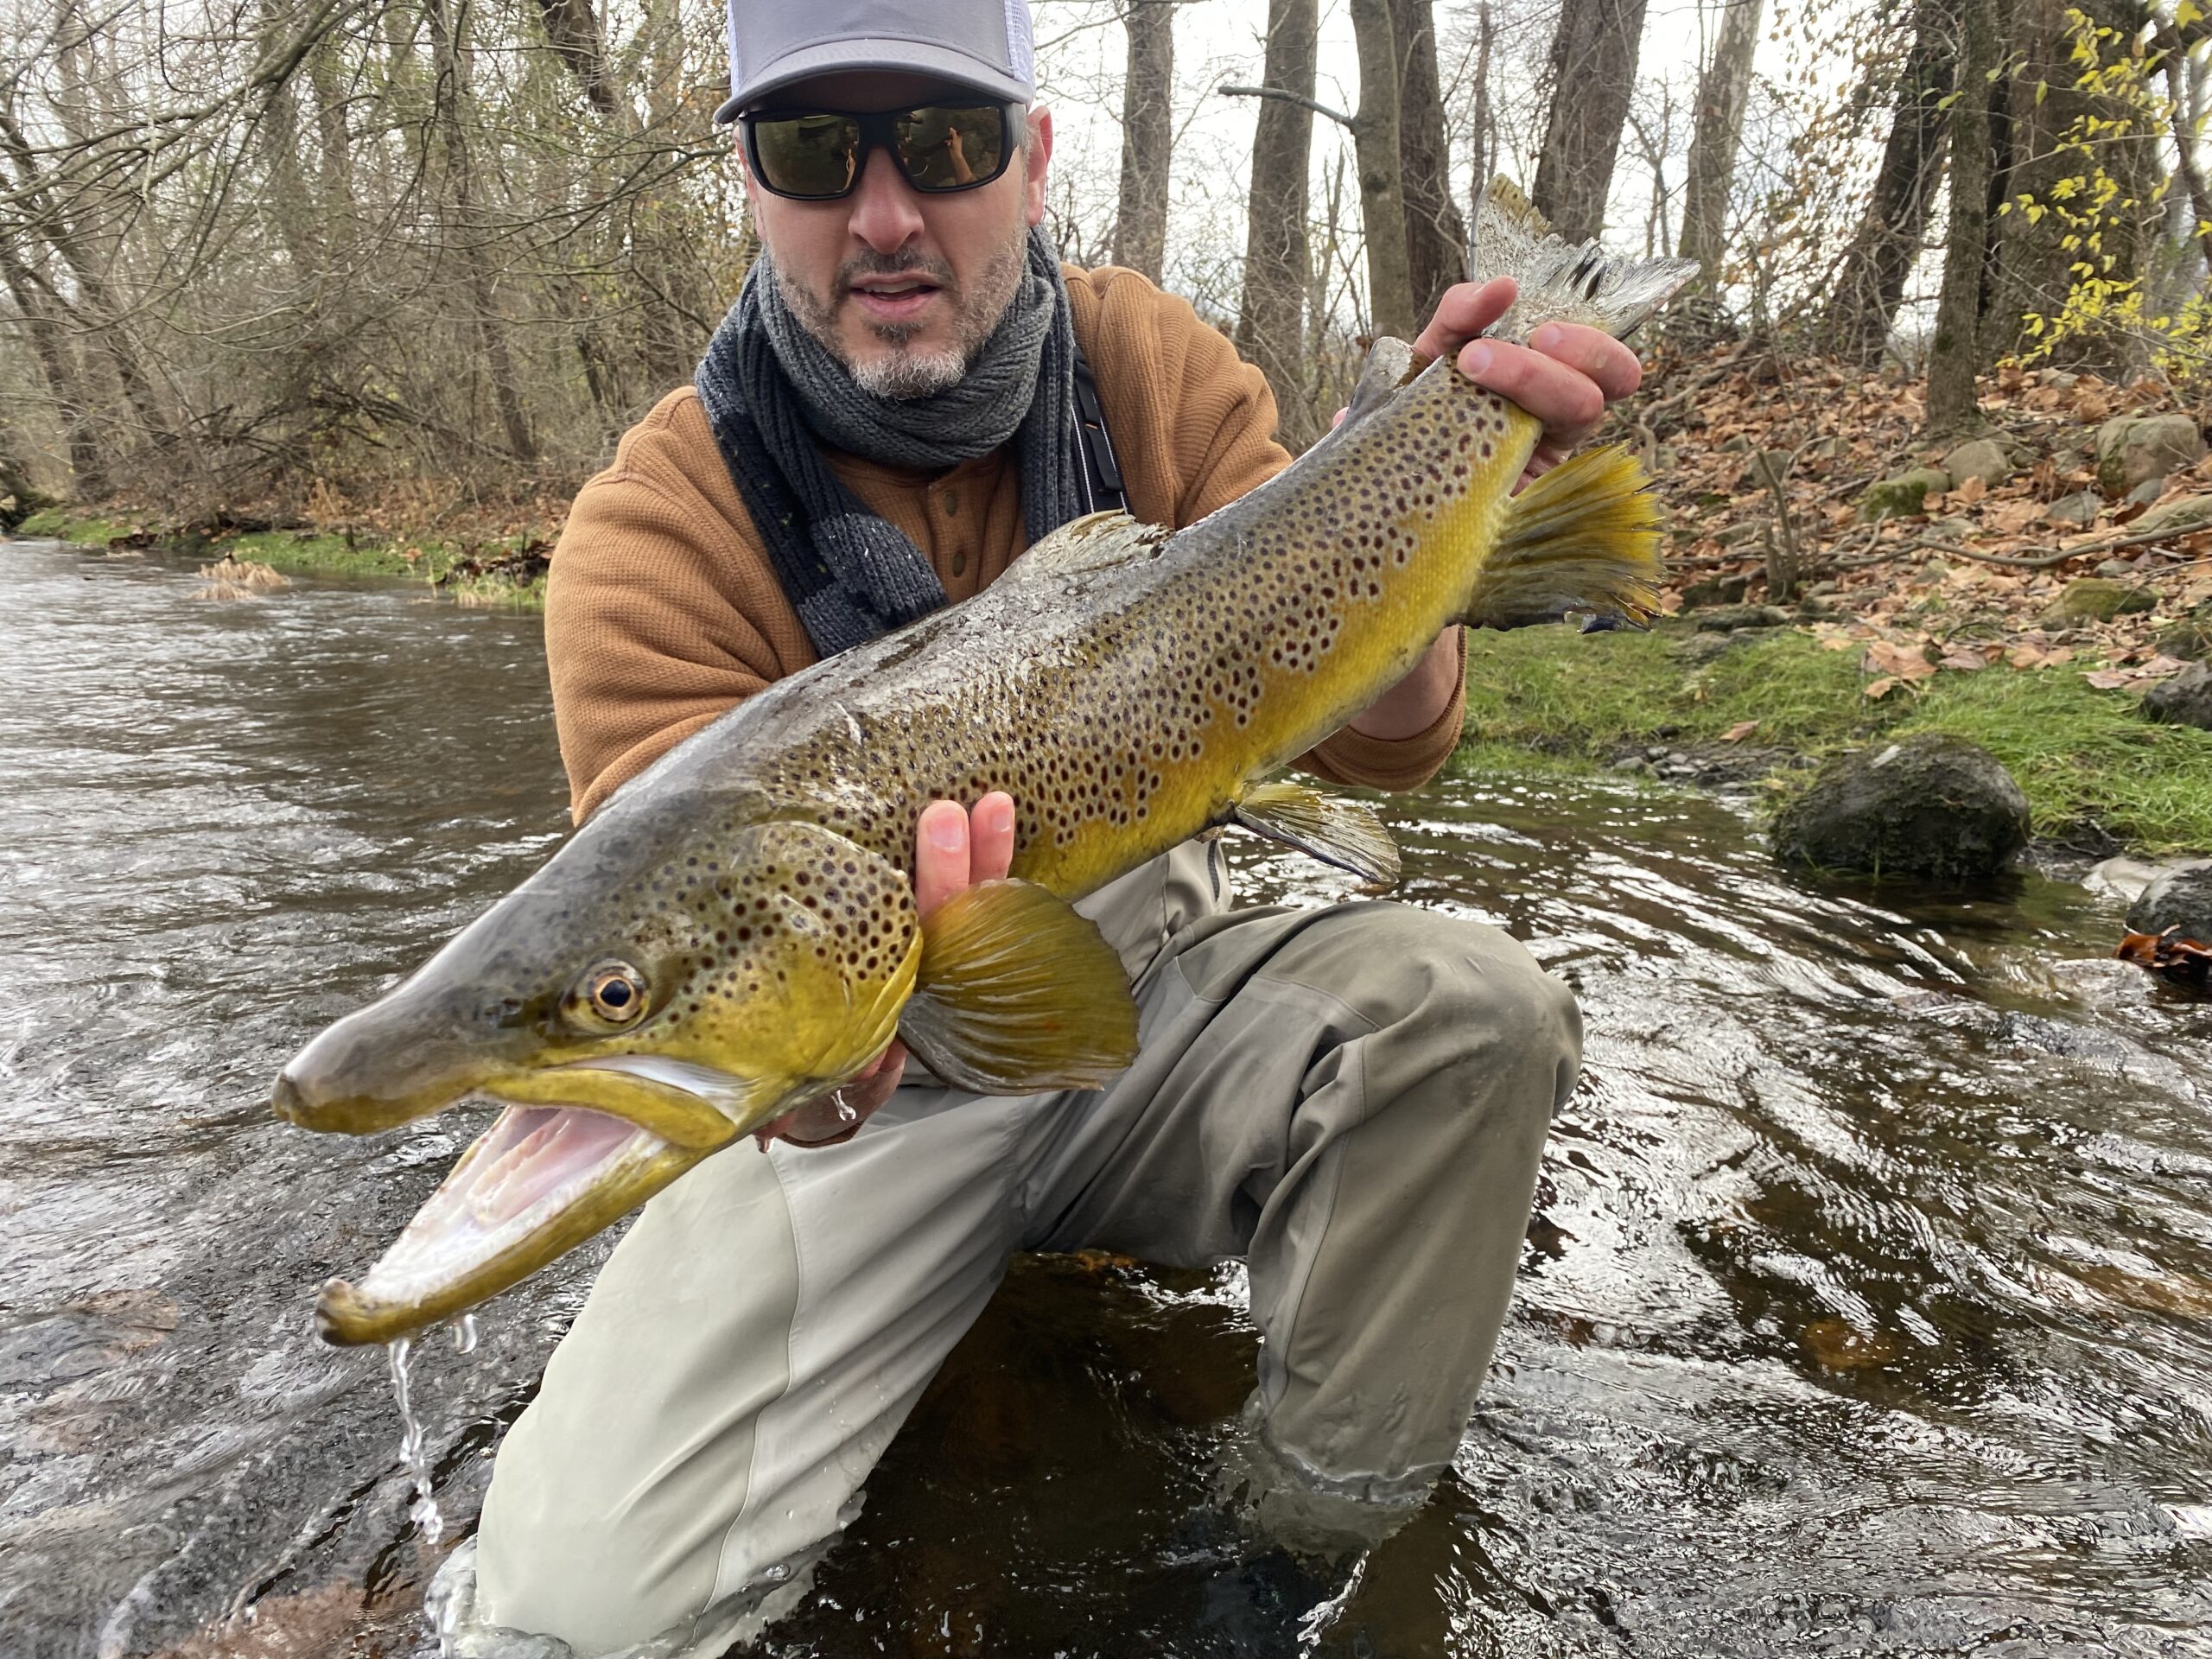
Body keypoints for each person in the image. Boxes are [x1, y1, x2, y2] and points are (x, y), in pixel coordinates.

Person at [467, 2, 1643, 1651]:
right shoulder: (656, 526)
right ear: (750, 181)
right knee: (563, 1626)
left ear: (1027, 155)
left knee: (1476, 1019)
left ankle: (1293, 1553)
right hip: (864, 1103)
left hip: (1158, 1000)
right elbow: (668, 997)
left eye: (942, 143)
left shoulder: (1146, 363)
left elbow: (1385, 745)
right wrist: (811, 1085)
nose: (885, 213)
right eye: (817, 151)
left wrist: (1447, 499)